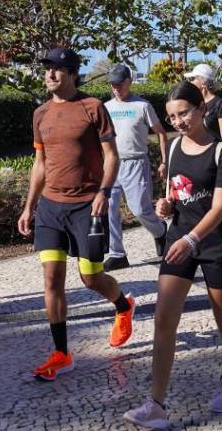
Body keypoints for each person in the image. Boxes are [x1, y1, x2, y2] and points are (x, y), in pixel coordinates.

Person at [123, 81, 222, 431]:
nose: (178, 121)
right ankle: (156, 404)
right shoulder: (175, 147)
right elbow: (174, 197)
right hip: (180, 238)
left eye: (184, 113)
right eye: (171, 116)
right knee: (164, 318)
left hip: (214, 243)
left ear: (201, 110)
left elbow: (221, 206)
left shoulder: (221, 152)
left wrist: (194, 239)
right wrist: (165, 206)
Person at [17, 48, 137, 381]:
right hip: (51, 207)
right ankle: (62, 353)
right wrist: (29, 206)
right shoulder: (40, 114)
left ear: (72, 74)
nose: (51, 74)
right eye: (48, 69)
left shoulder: (93, 107)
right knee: (51, 279)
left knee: (90, 277)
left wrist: (104, 192)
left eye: (58, 69)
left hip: (87, 204)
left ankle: (123, 306)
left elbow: (111, 156)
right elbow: (39, 164)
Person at [102, 64, 169, 271]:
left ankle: (159, 231)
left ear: (129, 82)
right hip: (112, 163)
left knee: (140, 209)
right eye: (113, 85)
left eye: (120, 84)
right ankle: (117, 253)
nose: (116, 89)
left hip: (136, 162)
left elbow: (161, 132)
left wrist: (164, 161)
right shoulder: (106, 107)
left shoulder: (142, 106)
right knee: (110, 209)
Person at [185, 63, 222, 147]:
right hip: (202, 153)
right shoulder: (196, 104)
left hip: (217, 154)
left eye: (193, 79)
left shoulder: (219, 104)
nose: (190, 82)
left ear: (203, 82)